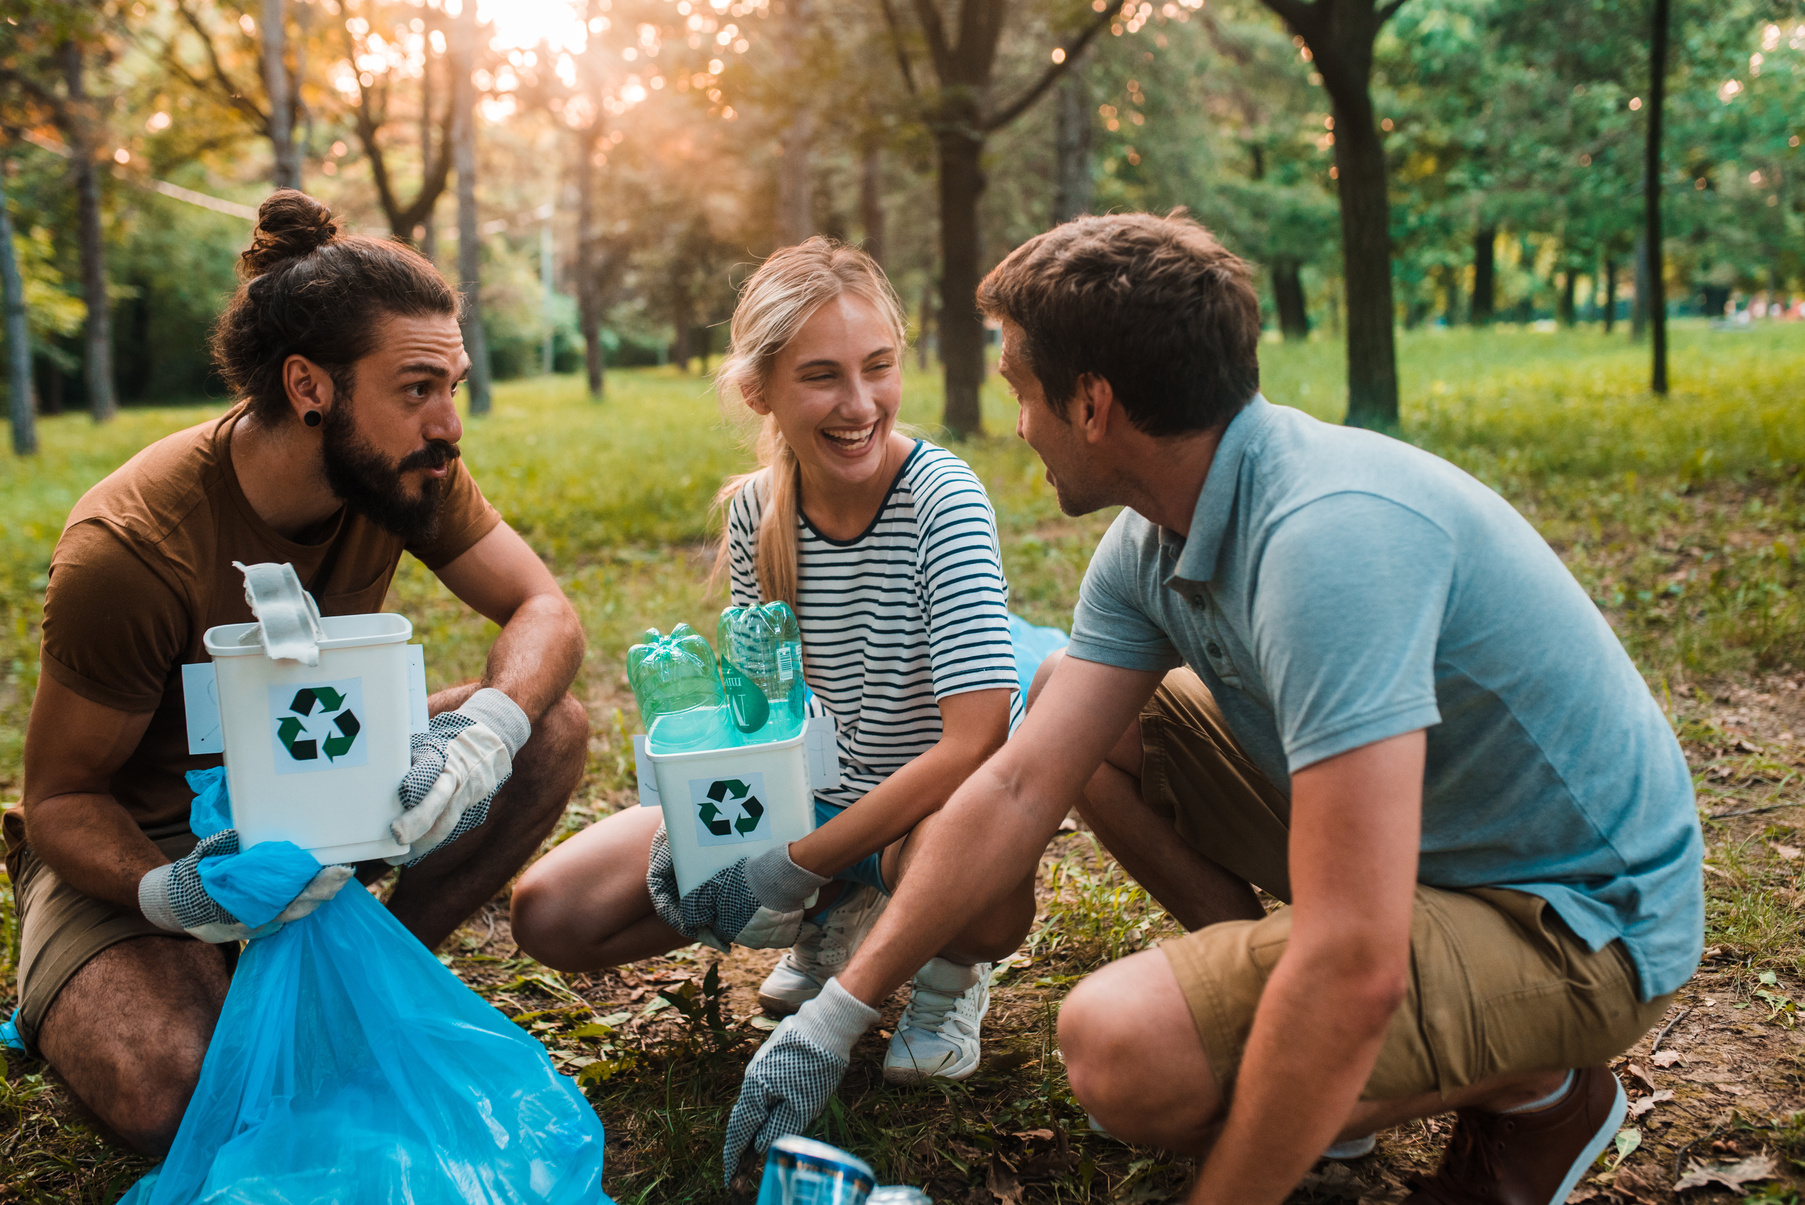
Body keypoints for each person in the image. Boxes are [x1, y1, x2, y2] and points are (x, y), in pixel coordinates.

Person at [720, 213, 1704, 1205]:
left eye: (1022, 390)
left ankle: (1538, 1091)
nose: (1017, 422)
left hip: (1574, 920)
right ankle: (1293, 1030)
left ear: (1092, 404)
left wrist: (1317, 1008)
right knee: (1069, 694)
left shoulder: (1324, 541)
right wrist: (836, 1013)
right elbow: (1020, 781)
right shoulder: (1152, 539)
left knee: (1121, 1051)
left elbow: (1354, 956)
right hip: (1430, 855)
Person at [9, 191, 590, 1154]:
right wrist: (169, 892)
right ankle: (101, 973)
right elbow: (65, 792)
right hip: (144, 840)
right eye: (417, 388)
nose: (449, 422)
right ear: (309, 387)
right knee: (178, 1096)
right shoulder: (129, 549)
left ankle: (362, 983)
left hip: (321, 783)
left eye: (454, 383)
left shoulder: (408, 468)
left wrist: (487, 731)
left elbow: (546, 611)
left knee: (548, 726)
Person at [511, 237, 1032, 1085]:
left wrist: (792, 864)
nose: (859, 403)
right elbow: (765, 719)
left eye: (878, 366)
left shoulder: (944, 497)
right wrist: (718, 829)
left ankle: (946, 971)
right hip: (810, 803)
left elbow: (973, 745)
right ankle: (841, 912)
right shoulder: (758, 511)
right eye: (820, 375)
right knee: (552, 912)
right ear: (759, 389)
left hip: (923, 812)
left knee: (993, 872)